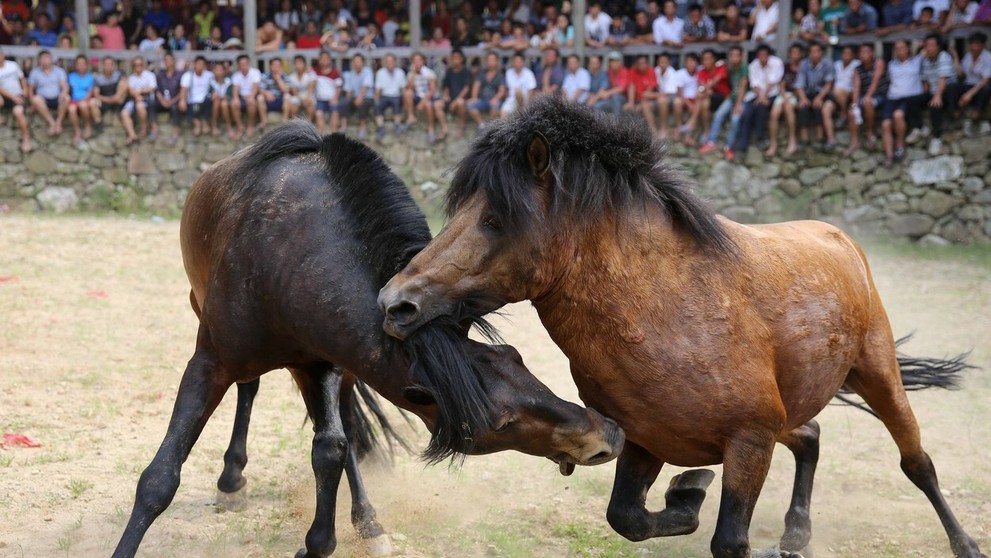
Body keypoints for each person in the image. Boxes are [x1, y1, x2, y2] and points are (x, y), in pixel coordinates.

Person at [734, 44, 783, 160]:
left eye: (765, 54)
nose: (762, 57)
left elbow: (772, 82)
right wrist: (760, 96)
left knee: (761, 107)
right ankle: (742, 146)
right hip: (756, 95)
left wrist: (763, 97)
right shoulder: (753, 65)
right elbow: (754, 84)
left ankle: (760, 137)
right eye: (760, 55)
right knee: (746, 113)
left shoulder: (776, 63)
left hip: (772, 94)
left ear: (769, 55)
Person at [700, 46, 748, 159]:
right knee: (718, 115)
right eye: (732, 55)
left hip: (743, 99)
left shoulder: (744, 67)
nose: (734, 58)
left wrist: (738, 105)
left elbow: (742, 87)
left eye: (737, 55)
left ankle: (729, 147)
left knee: (735, 119)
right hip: (731, 97)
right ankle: (711, 142)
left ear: (741, 57)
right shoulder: (729, 67)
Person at [881, 39, 923, 165]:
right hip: (892, 97)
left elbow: (930, 47)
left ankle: (900, 146)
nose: (899, 50)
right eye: (897, 48)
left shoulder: (917, 61)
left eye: (902, 47)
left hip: (909, 98)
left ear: (908, 49)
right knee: (885, 124)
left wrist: (922, 43)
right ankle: (889, 156)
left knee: (898, 115)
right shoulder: (891, 65)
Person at [918, 34, 956, 154]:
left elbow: (943, 78)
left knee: (934, 105)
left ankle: (937, 138)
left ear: (938, 47)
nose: (928, 48)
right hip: (933, 91)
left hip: (946, 91)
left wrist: (937, 96)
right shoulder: (925, 60)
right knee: (912, 100)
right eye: (926, 45)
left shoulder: (943, 56)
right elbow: (926, 82)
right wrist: (925, 96)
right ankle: (920, 128)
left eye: (931, 45)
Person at [848, 43, 888, 153]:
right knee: (852, 111)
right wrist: (854, 103)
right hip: (864, 96)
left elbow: (875, 82)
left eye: (866, 52)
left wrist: (867, 96)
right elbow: (856, 87)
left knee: (868, 102)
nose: (863, 55)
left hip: (880, 95)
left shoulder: (878, 63)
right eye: (861, 52)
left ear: (872, 53)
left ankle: (870, 132)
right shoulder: (857, 69)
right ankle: (854, 141)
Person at [765, 43, 803, 156]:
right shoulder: (786, 66)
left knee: (788, 108)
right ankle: (773, 144)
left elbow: (802, 86)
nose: (794, 55)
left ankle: (792, 140)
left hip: (796, 94)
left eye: (797, 53)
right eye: (792, 52)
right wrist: (783, 95)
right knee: (774, 113)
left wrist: (792, 96)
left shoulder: (803, 67)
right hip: (784, 94)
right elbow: (782, 84)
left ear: (801, 54)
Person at [952, 31, 991, 136]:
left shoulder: (988, 57)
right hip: (968, 85)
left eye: (977, 44)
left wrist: (969, 94)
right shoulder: (968, 56)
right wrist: (955, 57)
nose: (973, 47)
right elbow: (961, 75)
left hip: (979, 88)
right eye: (972, 43)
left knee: (987, 88)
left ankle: (977, 111)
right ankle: (955, 111)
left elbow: (985, 80)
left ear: (983, 45)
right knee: (952, 86)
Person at [692, 50, 729, 147]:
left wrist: (706, 89)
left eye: (708, 59)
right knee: (704, 101)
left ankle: (694, 122)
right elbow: (703, 85)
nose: (706, 61)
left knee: (702, 96)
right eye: (704, 59)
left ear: (714, 59)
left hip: (722, 97)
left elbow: (715, 81)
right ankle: (706, 130)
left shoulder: (721, 67)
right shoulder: (702, 71)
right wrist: (706, 89)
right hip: (709, 97)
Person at [825, 44, 859, 148]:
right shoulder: (836, 65)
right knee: (825, 109)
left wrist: (854, 101)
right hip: (835, 95)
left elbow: (856, 84)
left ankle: (844, 114)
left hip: (849, 94)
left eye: (849, 53)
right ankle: (831, 139)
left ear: (854, 55)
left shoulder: (857, 65)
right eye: (844, 53)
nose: (846, 55)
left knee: (838, 90)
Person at [27, 50, 68, 137]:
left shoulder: (59, 71)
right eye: (43, 58)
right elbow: (30, 90)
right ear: (39, 60)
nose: (45, 60)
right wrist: (32, 102)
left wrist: (63, 93)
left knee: (66, 97)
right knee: (36, 99)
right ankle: (52, 123)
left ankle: (59, 122)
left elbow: (65, 87)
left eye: (47, 58)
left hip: (57, 98)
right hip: (43, 100)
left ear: (51, 59)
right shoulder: (35, 72)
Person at [0, 48, 32, 152]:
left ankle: (26, 138)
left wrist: (25, 91)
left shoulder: (13, 65)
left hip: (18, 95)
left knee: (18, 112)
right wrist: (13, 98)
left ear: (3, 55)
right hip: (5, 97)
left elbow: (22, 78)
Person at [435, 49, 471, 139]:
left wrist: (455, 101)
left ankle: (462, 127)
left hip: (461, 99)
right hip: (450, 99)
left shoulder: (466, 71)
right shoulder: (449, 71)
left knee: (460, 102)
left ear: (462, 59)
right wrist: (445, 95)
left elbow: (466, 88)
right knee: (437, 105)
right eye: (453, 57)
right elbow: (446, 86)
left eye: (457, 57)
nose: (455, 59)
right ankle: (444, 128)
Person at [403, 52, 439, 141]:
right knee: (407, 93)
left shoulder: (429, 73)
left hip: (428, 96)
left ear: (423, 61)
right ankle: (411, 117)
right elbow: (410, 89)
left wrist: (423, 102)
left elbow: (432, 91)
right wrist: (413, 75)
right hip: (418, 95)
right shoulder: (411, 73)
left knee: (428, 104)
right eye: (415, 60)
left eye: (419, 60)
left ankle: (431, 129)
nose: (417, 62)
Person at [120, 57, 156, 144]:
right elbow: (131, 90)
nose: (138, 67)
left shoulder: (150, 75)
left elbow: (152, 88)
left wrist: (139, 92)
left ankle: (144, 128)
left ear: (143, 65)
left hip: (147, 99)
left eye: (140, 64)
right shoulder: (131, 77)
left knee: (140, 106)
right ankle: (132, 135)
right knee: (124, 113)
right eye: (136, 65)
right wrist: (137, 95)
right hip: (134, 99)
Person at [467, 50, 506, 127]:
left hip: (494, 99)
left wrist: (496, 98)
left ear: (497, 61)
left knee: (496, 105)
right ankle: (481, 125)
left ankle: (490, 126)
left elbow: (502, 91)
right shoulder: (482, 73)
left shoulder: (500, 75)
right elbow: (476, 86)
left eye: (492, 60)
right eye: (488, 60)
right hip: (482, 100)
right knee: (470, 104)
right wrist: (474, 97)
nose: (490, 62)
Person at [340, 53, 374, 138]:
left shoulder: (367, 72)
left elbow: (365, 87)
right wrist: (348, 101)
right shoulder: (351, 74)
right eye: (355, 62)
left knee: (362, 104)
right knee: (344, 102)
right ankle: (344, 126)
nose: (356, 63)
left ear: (363, 62)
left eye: (358, 61)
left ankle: (363, 128)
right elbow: (349, 90)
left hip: (367, 97)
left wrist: (359, 98)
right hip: (355, 97)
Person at [645, 52, 678, 138]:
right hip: (659, 97)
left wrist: (652, 95)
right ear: (658, 62)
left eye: (665, 61)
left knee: (662, 100)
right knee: (646, 105)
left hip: (671, 97)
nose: (662, 64)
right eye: (661, 61)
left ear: (668, 62)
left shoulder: (672, 72)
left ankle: (664, 128)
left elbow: (669, 93)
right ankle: (653, 130)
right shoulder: (656, 70)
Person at [374, 53, 406, 140]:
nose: (389, 63)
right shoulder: (380, 73)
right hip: (384, 96)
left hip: (396, 96)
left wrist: (405, 100)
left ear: (395, 62)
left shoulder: (400, 72)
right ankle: (381, 128)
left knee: (397, 103)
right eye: (387, 62)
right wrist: (377, 100)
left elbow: (403, 89)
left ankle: (397, 125)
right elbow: (377, 89)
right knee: (377, 105)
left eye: (391, 61)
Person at [178, 55, 211, 136]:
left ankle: (205, 122)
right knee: (182, 106)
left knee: (210, 100)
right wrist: (182, 100)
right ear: (194, 64)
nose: (200, 66)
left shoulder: (209, 75)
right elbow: (183, 89)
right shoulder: (187, 75)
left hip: (205, 101)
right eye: (198, 63)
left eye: (202, 64)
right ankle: (197, 124)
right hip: (192, 101)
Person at [625, 55, 660, 129]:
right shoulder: (633, 70)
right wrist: (631, 102)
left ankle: (653, 130)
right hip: (636, 99)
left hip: (648, 99)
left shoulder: (651, 70)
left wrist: (641, 104)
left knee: (644, 106)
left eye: (643, 63)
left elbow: (649, 90)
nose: (642, 65)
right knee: (626, 108)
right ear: (636, 64)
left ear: (647, 64)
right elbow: (631, 86)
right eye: (639, 63)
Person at [66, 54, 95, 144]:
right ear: (75, 65)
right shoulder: (71, 76)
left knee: (83, 105)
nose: (81, 66)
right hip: (74, 100)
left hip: (85, 100)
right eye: (78, 63)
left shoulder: (90, 77)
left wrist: (84, 99)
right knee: (71, 109)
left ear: (86, 65)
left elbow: (90, 92)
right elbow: (68, 90)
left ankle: (88, 125)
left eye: (83, 63)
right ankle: (77, 130)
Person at [231, 54, 261, 138]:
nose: (244, 66)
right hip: (241, 97)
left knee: (251, 102)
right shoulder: (236, 75)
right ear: (238, 65)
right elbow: (235, 89)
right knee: (234, 103)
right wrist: (236, 98)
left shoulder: (255, 72)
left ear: (249, 63)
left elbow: (255, 87)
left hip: (252, 96)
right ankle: (240, 126)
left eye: (245, 63)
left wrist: (251, 97)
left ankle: (250, 126)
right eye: (241, 64)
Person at [91, 56, 125, 130]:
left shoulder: (118, 75)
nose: (109, 66)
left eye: (110, 64)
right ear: (103, 65)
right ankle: (99, 124)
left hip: (117, 100)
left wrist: (117, 96)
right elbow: (96, 94)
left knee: (123, 85)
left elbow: (125, 85)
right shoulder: (98, 78)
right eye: (106, 64)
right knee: (92, 102)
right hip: (104, 100)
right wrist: (109, 99)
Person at [589, 52, 627, 117]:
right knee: (597, 106)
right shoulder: (609, 72)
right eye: (612, 61)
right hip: (610, 98)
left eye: (616, 61)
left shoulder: (624, 71)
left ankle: (616, 125)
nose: (614, 63)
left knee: (616, 98)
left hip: (623, 98)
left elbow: (621, 88)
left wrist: (607, 93)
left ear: (620, 62)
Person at [155, 52, 182, 143]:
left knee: (175, 108)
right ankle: (153, 129)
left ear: (174, 61)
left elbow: (182, 91)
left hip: (174, 101)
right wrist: (162, 101)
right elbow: (157, 90)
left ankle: (175, 132)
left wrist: (173, 101)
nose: (168, 62)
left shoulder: (180, 75)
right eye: (166, 60)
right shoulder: (160, 75)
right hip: (162, 101)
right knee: (150, 104)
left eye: (170, 60)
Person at [313, 50, 342, 134]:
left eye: (326, 58)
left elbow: (339, 87)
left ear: (330, 59)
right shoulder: (315, 71)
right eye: (322, 58)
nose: (324, 60)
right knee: (318, 114)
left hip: (332, 99)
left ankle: (334, 134)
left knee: (335, 112)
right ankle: (321, 135)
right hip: (320, 99)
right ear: (319, 60)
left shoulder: (335, 72)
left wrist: (335, 98)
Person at [502, 51, 537, 117]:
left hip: (525, 100)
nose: (517, 64)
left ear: (523, 62)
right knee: (503, 112)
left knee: (518, 91)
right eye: (515, 61)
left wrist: (528, 105)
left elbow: (531, 91)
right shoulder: (508, 73)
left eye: (519, 61)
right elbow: (507, 89)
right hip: (512, 99)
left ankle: (521, 111)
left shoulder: (529, 73)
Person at [257, 57, 289, 127]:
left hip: (280, 101)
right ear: (270, 66)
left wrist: (279, 79)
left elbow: (286, 90)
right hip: (268, 100)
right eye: (274, 65)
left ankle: (285, 121)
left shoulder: (284, 76)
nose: (276, 68)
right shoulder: (265, 75)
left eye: (278, 66)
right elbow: (260, 89)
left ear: (281, 67)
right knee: (260, 97)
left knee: (287, 96)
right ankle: (264, 121)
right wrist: (266, 93)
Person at [208, 62, 234, 138]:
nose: (218, 72)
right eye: (216, 70)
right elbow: (212, 94)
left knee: (224, 103)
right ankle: (214, 125)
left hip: (226, 102)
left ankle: (228, 126)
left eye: (220, 70)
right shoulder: (211, 81)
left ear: (224, 71)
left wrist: (218, 96)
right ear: (213, 71)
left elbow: (228, 96)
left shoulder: (228, 81)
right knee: (216, 102)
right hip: (215, 103)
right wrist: (216, 96)